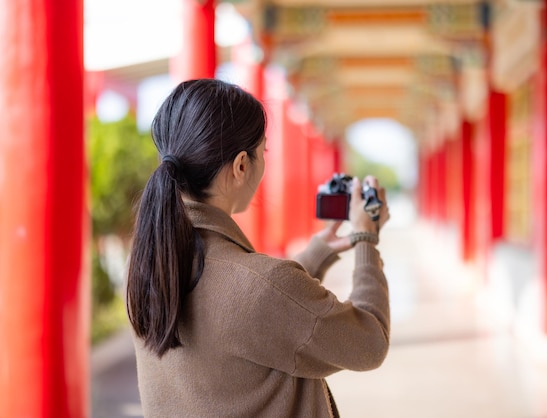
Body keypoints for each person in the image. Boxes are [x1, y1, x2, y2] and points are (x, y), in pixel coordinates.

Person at [126, 78, 391, 418]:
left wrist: (319, 251)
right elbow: (369, 343)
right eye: (263, 151)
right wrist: (366, 241)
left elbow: (255, 308)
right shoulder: (260, 289)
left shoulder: (149, 263)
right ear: (240, 166)